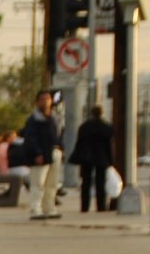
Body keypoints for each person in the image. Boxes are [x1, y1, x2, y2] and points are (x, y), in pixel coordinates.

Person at [21, 90, 63, 220]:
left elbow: (59, 134)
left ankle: (49, 208)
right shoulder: (33, 119)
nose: (45, 102)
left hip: (54, 153)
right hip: (40, 155)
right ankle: (35, 209)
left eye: (48, 99)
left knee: (52, 183)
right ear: (37, 102)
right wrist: (37, 153)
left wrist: (61, 149)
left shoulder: (54, 118)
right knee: (38, 183)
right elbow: (30, 138)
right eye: (42, 99)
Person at [69, 104, 115, 212]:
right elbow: (109, 146)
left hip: (87, 157)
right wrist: (111, 161)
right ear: (101, 113)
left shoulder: (84, 127)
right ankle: (101, 206)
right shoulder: (106, 127)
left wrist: (78, 156)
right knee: (100, 183)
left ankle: (84, 207)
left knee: (86, 183)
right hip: (101, 158)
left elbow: (79, 143)